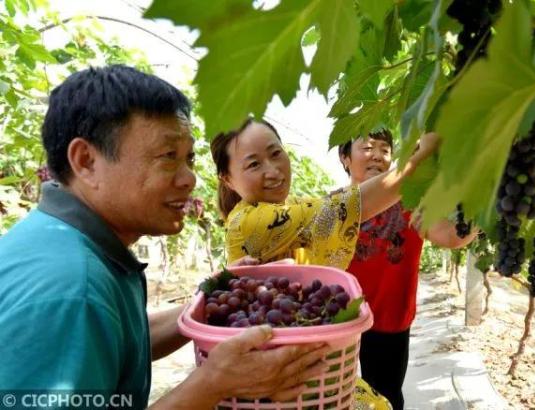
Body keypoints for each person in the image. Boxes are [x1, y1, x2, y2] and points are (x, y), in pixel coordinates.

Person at [0, 65, 330, 410]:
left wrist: (211, 300)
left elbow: (119, 341)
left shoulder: (71, 246)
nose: (189, 179)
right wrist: (212, 385)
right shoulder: (71, 292)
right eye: (168, 156)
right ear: (87, 161)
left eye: (189, 158)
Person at [210, 118, 440, 409]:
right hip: (276, 378)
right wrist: (421, 156)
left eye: (276, 154)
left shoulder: (287, 205)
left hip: (301, 361)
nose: (273, 171)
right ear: (227, 179)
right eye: (254, 164)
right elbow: (345, 208)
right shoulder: (251, 222)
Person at [338, 129, 477, 409]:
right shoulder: (333, 207)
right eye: (367, 148)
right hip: (340, 323)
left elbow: (451, 236)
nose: (377, 155)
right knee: (337, 396)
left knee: (386, 397)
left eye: (385, 150)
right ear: (345, 158)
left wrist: (484, 199)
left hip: (389, 322)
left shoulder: (412, 204)